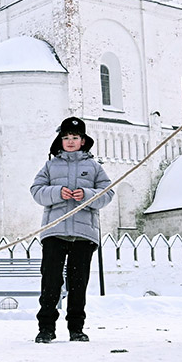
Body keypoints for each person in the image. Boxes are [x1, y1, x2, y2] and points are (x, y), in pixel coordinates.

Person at [30, 117, 114, 343]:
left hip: (84, 234)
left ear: (83, 141)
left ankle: (76, 328)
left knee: (78, 283)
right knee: (51, 281)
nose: (70, 141)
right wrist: (58, 192)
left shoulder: (95, 167)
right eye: (66, 137)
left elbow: (107, 194)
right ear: (60, 140)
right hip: (54, 232)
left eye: (75, 137)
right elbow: (36, 191)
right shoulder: (50, 165)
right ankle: (46, 328)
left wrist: (86, 196)